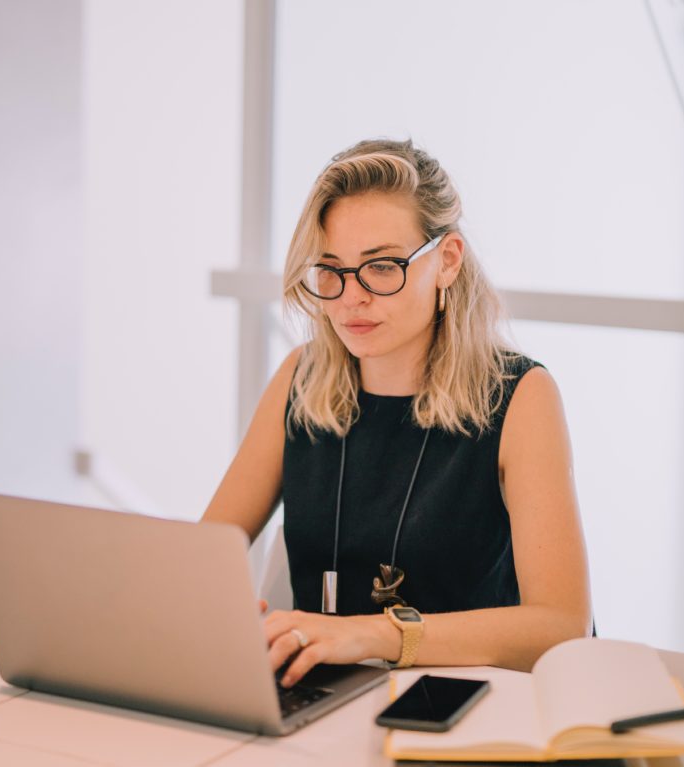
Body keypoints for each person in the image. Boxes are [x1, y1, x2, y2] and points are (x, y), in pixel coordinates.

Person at [202, 139, 592, 687]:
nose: (350, 298)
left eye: (382, 267)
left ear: (447, 261)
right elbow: (198, 561)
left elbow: (561, 627)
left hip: (468, 707)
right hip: (322, 700)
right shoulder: (301, 377)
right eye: (331, 270)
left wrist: (375, 634)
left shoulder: (520, 395)